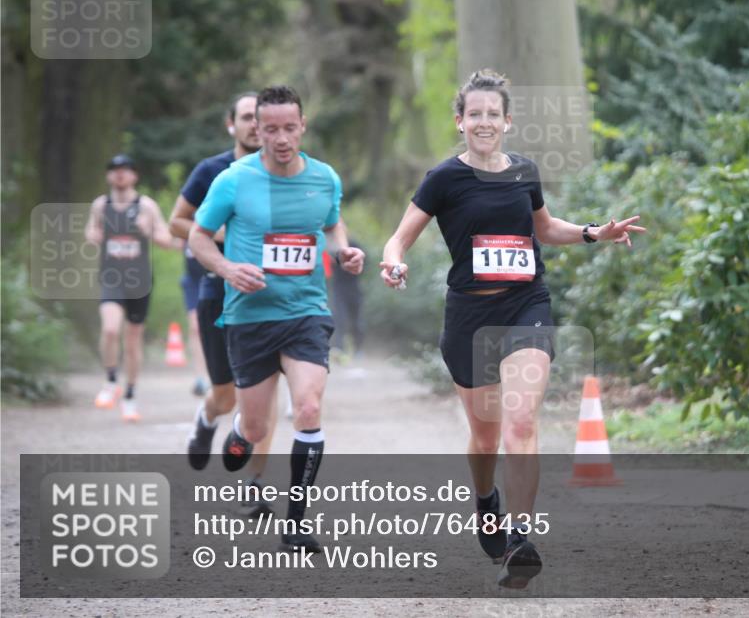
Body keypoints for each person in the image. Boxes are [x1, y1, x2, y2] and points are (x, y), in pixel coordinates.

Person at [380, 70, 645, 589]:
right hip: (470, 317)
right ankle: (486, 501)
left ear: (507, 121)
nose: (484, 122)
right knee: (485, 437)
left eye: (493, 114)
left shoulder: (524, 171)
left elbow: (544, 228)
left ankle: (520, 539)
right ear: (460, 121)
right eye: (474, 114)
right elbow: (399, 238)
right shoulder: (443, 179)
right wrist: (394, 262)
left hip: (526, 305)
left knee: (521, 421)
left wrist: (593, 232)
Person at [189, 85, 364, 552]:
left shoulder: (325, 177)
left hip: (306, 311)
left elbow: (331, 223)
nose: (281, 138)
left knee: (307, 408)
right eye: (270, 129)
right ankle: (240, 433)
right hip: (250, 317)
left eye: (290, 128)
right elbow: (198, 237)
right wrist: (227, 268)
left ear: (303, 126)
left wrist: (343, 250)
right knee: (257, 428)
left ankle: (296, 523)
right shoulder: (233, 179)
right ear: (256, 129)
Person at [168, 92, 278, 515]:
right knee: (226, 396)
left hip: (270, 294)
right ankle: (208, 418)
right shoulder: (211, 170)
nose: (254, 125)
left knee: (265, 390)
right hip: (218, 290)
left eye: (260, 118)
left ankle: (256, 483)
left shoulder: (287, 171)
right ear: (231, 124)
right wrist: (227, 236)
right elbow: (177, 221)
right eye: (247, 117)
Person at [86, 154, 181, 422]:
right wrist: (93, 236)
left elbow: (167, 240)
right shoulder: (101, 205)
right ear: (108, 175)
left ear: (134, 175)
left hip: (139, 281)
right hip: (111, 278)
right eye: (115, 169)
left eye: (125, 169)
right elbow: (91, 232)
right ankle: (110, 380)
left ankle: (130, 395)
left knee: (132, 340)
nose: (120, 174)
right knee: (110, 329)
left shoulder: (146, 206)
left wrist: (148, 231)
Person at [179, 242, 210, 396]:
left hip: (215, 277)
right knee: (195, 327)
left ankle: (221, 373)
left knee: (219, 326)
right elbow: (168, 238)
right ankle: (201, 377)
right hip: (193, 281)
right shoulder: (184, 225)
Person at [329, 238, 365, 357]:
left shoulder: (355, 245)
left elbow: (365, 263)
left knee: (357, 322)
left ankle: (358, 350)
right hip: (339, 290)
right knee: (339, 320)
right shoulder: (332, 248)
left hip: (354, 289)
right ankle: (339, 349)